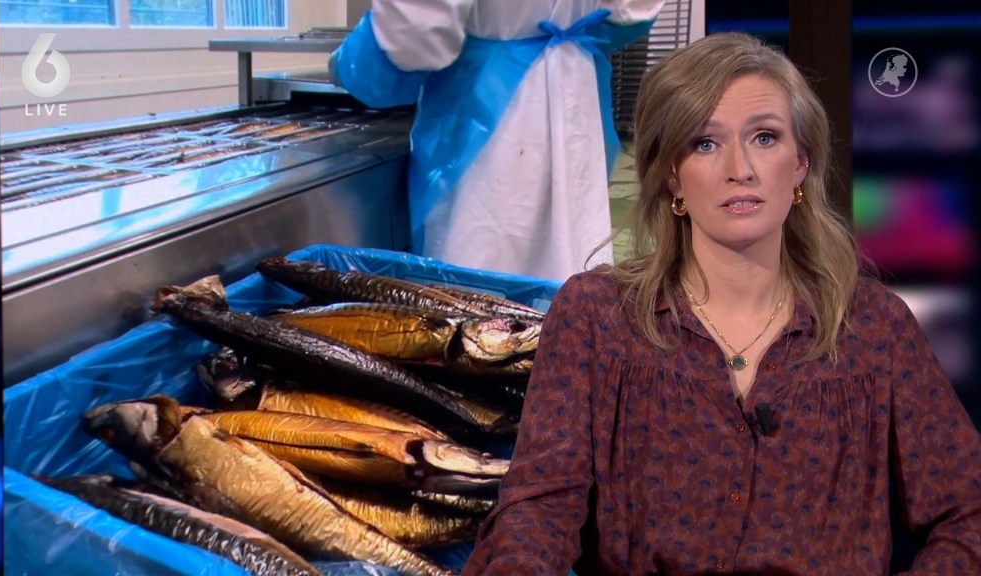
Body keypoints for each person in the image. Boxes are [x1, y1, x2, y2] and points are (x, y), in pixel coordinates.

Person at [461, 32, 981, 575]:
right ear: (671, 175)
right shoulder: (596, 317)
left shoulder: (872, 326)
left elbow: (969, 513)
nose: (741, 168)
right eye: (705, 144)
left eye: (765, 137)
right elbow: (537, 514)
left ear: (800, 164)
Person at [329, 1, 665, 282]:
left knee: (478, 296)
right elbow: (632, 12)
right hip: (575, 98)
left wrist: (353, 62)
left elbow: (415, 31)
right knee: (570, 274)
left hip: (488, 116)